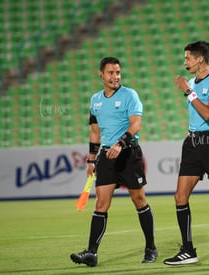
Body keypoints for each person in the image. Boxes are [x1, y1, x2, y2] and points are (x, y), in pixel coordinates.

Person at [70, 57, 157, 267]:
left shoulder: (130, 95)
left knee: (139, 200)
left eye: (118, 72)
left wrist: (120, 143)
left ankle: (151, 248)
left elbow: (136, 124)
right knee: (101, 203)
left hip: (128, 154)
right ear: (101, 74)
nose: (115, 77)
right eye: (110, 73)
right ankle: (91, 252)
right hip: (106, 157)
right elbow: (95, 131)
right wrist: (91, 159)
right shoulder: (95, 100)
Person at [163, 40, 209, 266]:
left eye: (188, 58)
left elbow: (207, 115)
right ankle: (188, 250)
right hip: (193, 144)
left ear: (200, 58)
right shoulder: (193, 82)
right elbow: (197, 118)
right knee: (180, 197)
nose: (185, 62)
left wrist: (188, 92)